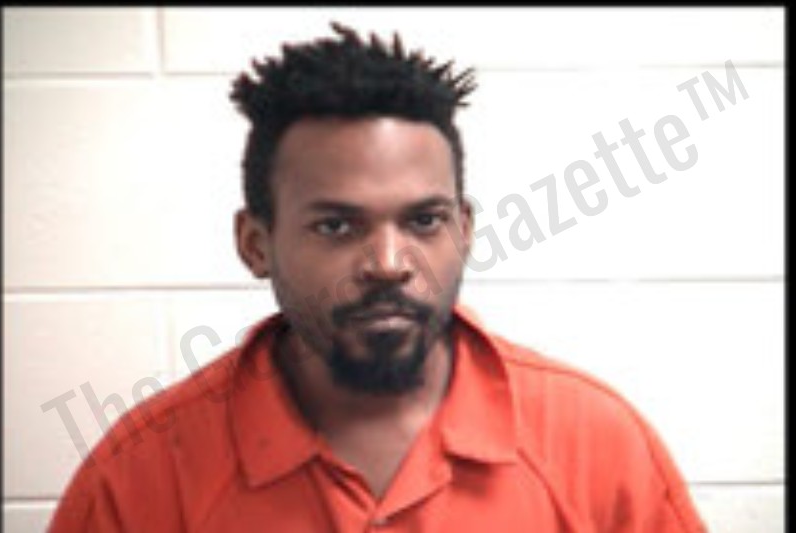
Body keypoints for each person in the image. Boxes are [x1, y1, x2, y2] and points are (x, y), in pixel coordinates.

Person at [48, 23, 706, 532]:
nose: (389, 263)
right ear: (255, 244)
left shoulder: (597, 443)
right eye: (337, 226)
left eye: (424, 220)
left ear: (465, 230)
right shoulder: (138, 476)